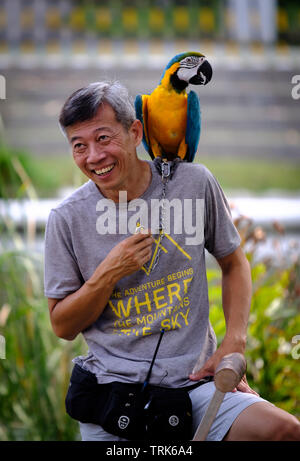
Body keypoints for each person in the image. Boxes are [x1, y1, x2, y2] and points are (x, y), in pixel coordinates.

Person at [44, 80, 300, 441]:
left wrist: (235, 341)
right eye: (79, 146)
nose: (93, 157)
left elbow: (233, 262)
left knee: (285, 431)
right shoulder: (66, 218)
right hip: (114, 396)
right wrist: (108, 273)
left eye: (103, 139)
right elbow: (62, 326)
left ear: (135, 132)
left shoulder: (194, 183)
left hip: (197, 383)